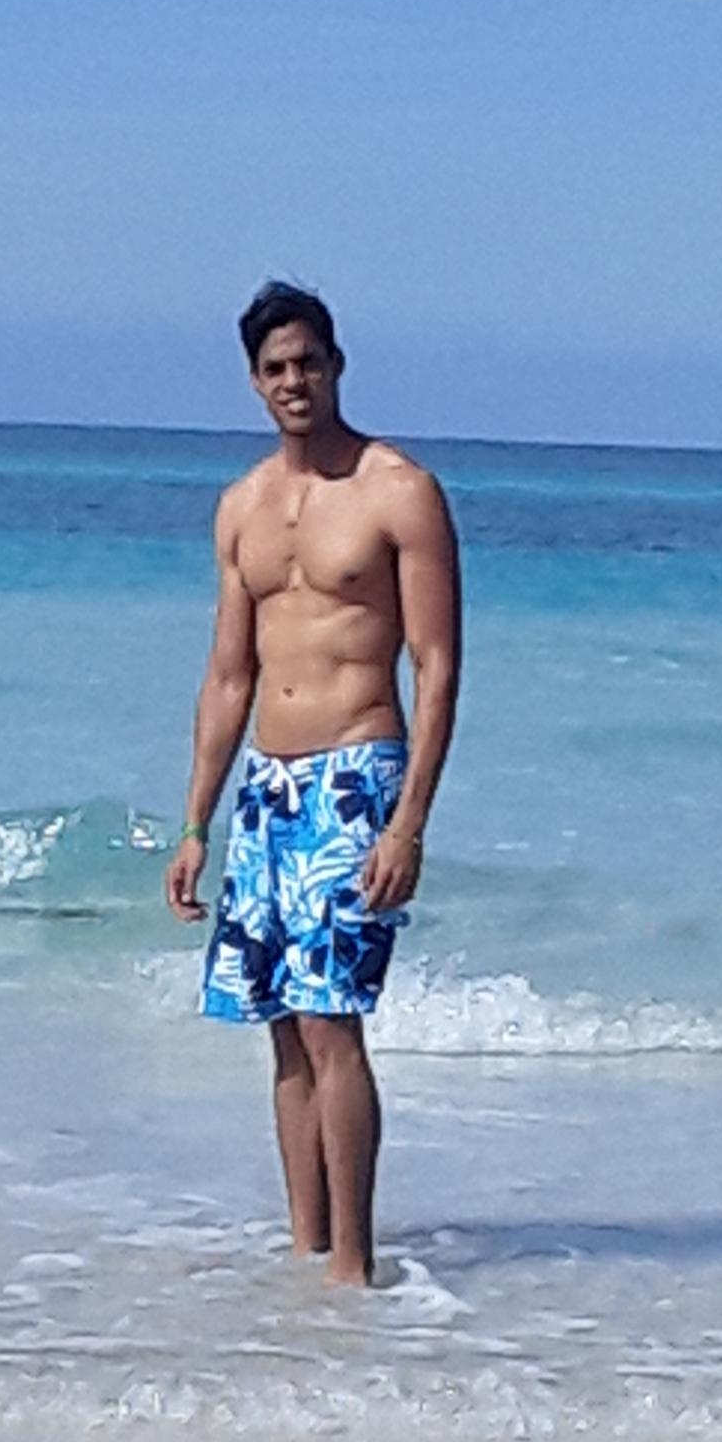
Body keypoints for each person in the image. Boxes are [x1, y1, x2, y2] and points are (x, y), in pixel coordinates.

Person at [164, 282, 461, 1286]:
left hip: (355, 775)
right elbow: (228, 677)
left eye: (308, 362)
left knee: (332, 1021)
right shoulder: (243, 507)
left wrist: (407, 823)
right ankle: (308, 1256)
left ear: (337, 365)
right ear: (255, 383)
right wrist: (196, 822)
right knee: (282, 1027)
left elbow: (437, 664)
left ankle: (355, 1271)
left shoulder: (398, 491)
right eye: (275, 368)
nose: (294, 381)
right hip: (267, 788)